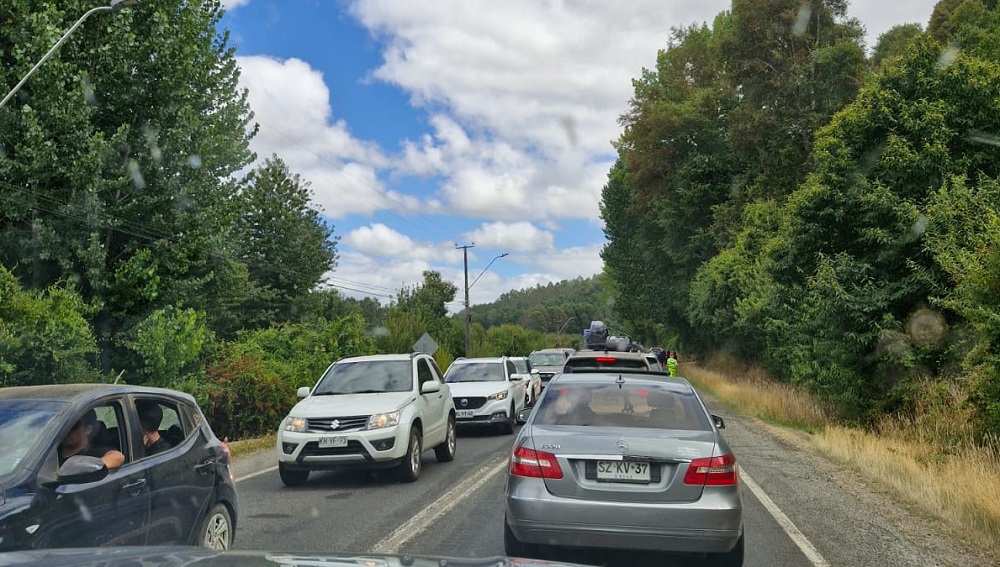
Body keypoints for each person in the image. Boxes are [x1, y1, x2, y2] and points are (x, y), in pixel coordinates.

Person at [58, 408, 125, 469]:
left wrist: (87, 469)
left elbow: (117, 457)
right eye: (63, 426)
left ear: (88, 429)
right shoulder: (52, 451)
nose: (67, 431)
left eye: (73, 426)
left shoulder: (95, 453)